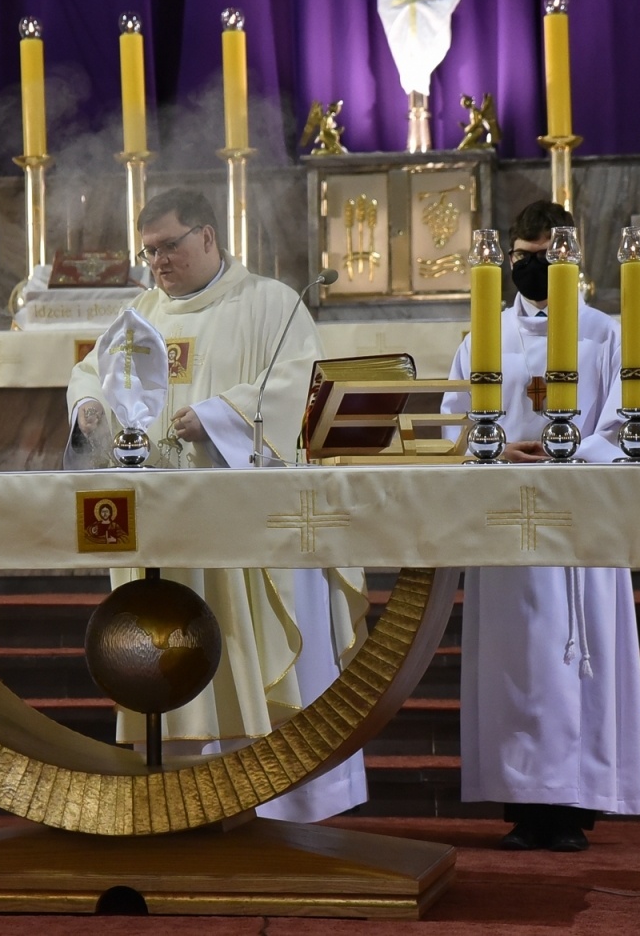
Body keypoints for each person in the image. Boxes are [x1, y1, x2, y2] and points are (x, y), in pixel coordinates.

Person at [66, 187, 371, 821]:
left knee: (252, 648)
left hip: (246, 528)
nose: (158, 263)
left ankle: (289, 807)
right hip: (165, 525)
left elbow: (299, 387)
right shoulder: (140, 313)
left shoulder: (268, 303)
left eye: (169, 246)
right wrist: (87, 408)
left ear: (208, 236)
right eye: (148, 251)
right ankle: (182, 798)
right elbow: (90, 376)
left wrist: (217, 417)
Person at [440, 199, 640, 851]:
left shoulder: (605, 333)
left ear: (572, 256)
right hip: (506, 522)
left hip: (577, 514)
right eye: (522, 258)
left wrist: (570, 451)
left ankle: (573, 809)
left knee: (576, 663)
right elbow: (453, 421)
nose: (532, 268)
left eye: (545, 257)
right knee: (515, 666)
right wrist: (498, 449)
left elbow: (622, 420)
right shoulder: (481, 338)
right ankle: (523, 807)